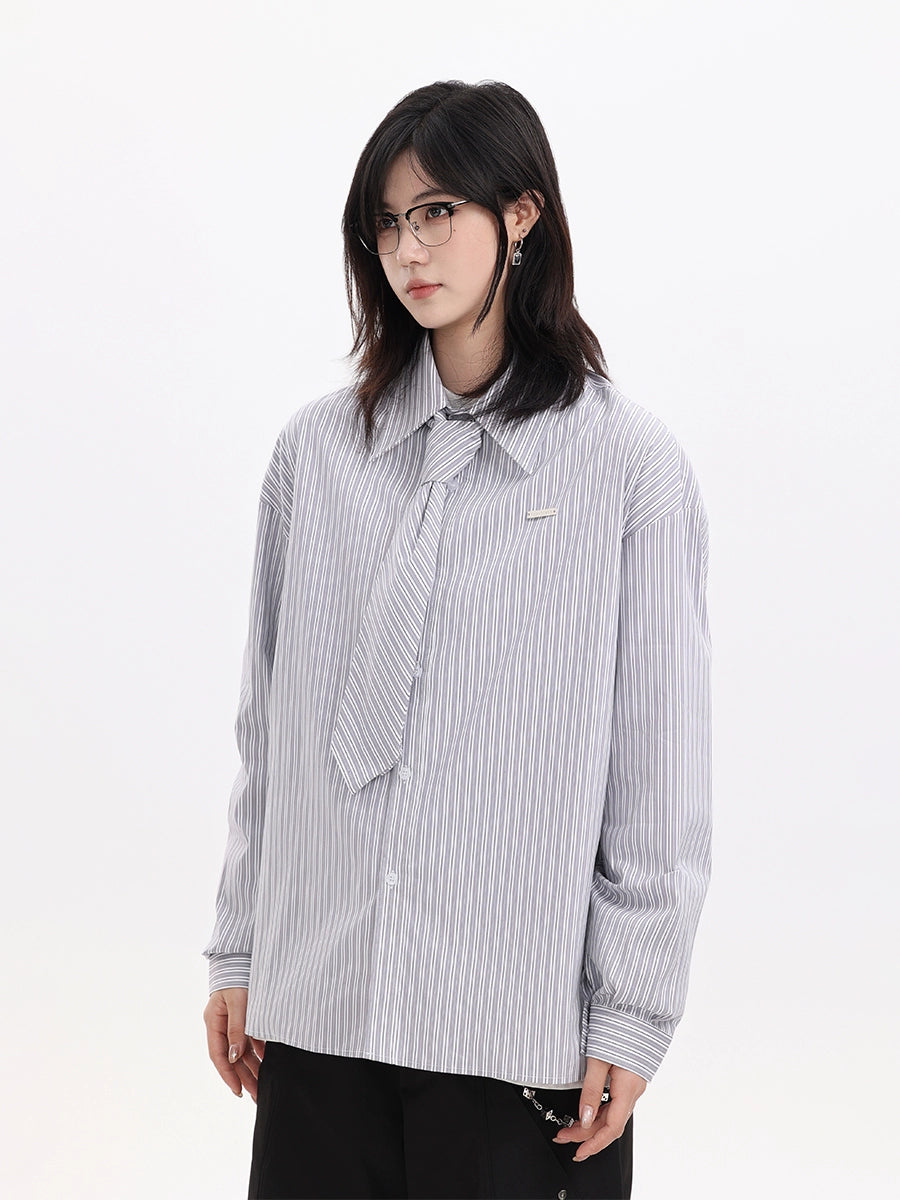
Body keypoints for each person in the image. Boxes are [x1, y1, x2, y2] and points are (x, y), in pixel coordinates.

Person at [203, 79, 712, 1200]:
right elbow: (270, 734)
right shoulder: (314, 458)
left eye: (438, 211)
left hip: (512, 1038)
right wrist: (239, 946)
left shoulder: (628, 470)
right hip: (319, 1017)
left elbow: (659, 775)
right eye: (388, 222)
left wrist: (633, 1010)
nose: (409, 248)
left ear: (520, 215)